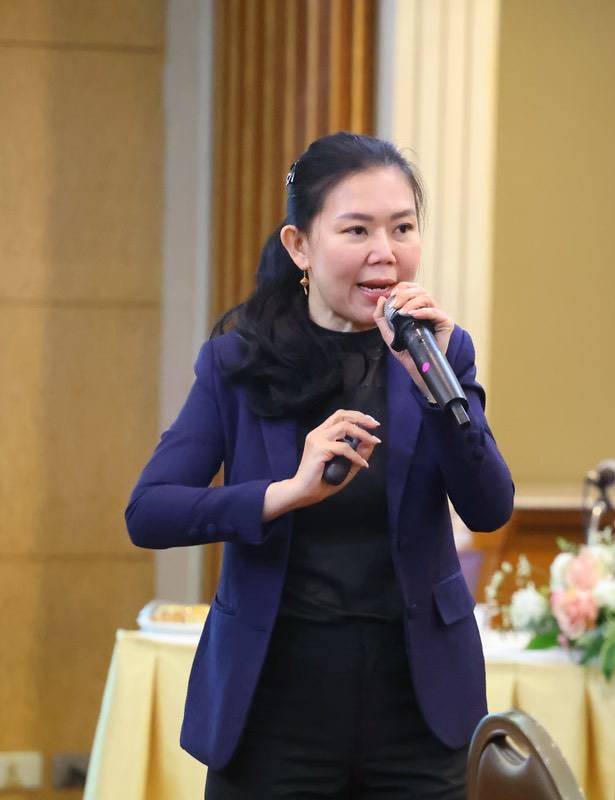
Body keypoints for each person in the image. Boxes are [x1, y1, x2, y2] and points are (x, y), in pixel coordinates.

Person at [125, 131, 514, 798]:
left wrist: (436, 386)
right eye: (357, 230)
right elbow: (149, 511)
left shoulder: (439, 352)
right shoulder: (239, 361)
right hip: (275, 702)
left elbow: (489, 507)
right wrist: (285, 492)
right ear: (300, 245)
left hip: (417, 704)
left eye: (402, 228)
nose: (385, 252)